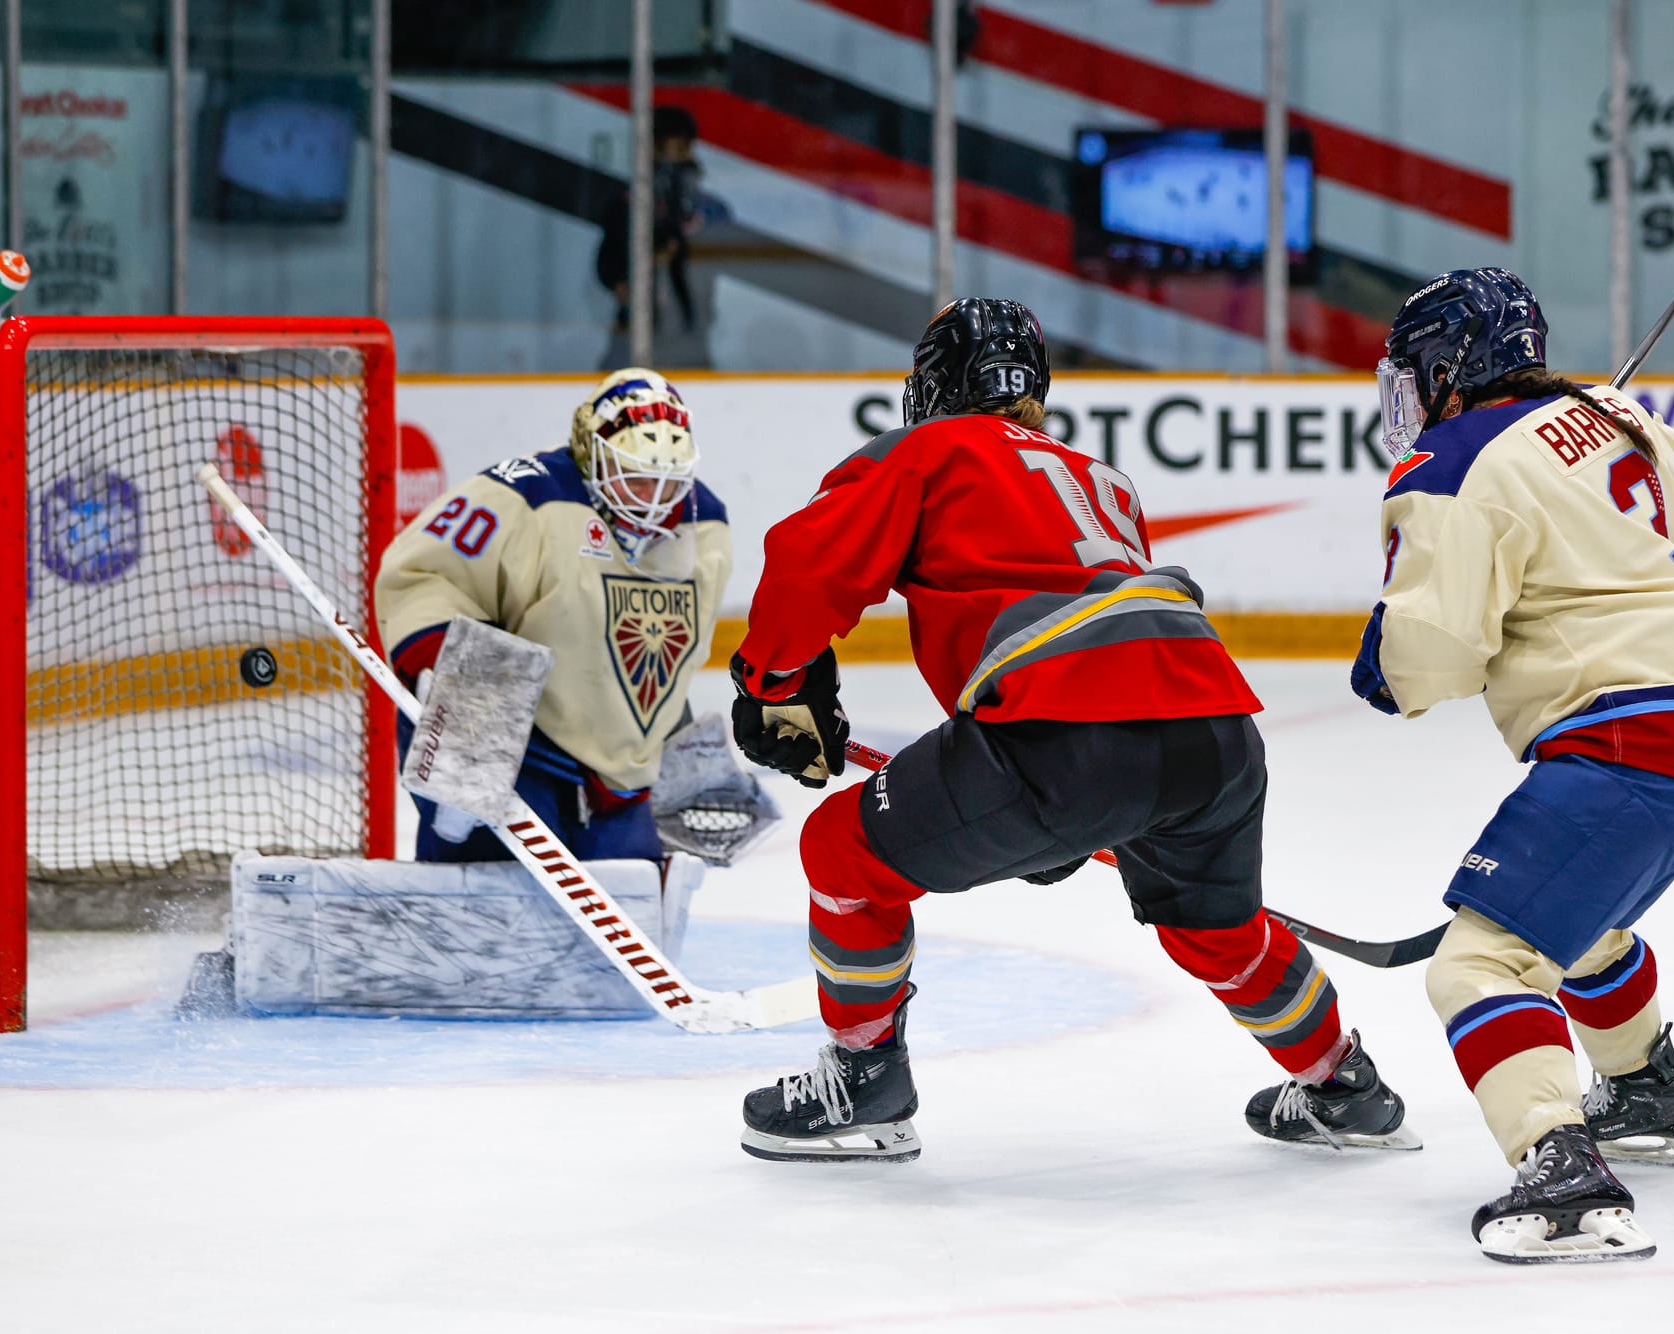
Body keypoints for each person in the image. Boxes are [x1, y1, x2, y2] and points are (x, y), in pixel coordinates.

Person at [726, 297, 1416, 1163]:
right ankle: (1340, 1085)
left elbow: (809, 561)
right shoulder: (1101, 479)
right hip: (1217, 733)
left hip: (1066, 732)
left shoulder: (927, 448)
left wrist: (772, 683)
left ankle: (865, 1082)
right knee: (1218, 927)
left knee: (841, 852)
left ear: (932, 385)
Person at [1358, 268, 1674, 1262]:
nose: (1407, 394)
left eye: (1415, 371)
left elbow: (1435, 659)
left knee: (1479, 963)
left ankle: (1561, 1166)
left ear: (1449, 365)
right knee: (1577, 924)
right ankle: (1645, 1089)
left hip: (1625, 736)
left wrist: (1387, 653)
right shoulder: (1618, 414)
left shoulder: (1453, 455)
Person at [374, 368, 732, 866]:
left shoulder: (704, 523)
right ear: (595, 456)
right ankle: (461, 829)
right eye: (637, 477)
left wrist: (658, 737)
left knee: (631, 901)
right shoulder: (530, 492)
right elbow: (419, 571)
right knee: (486, 888)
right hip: (516, 749)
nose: (652, 498)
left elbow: (667, 649)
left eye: (665, 482)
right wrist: (459, 682)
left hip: (615, 779)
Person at [595, 106, 704, 335]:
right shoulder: (626, 206)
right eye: (670, 150)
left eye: (684, 150)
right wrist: (618, 282)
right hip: (640, 338)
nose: (677, 162)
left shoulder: (700, 210)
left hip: (686, 345)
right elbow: (610, 252)